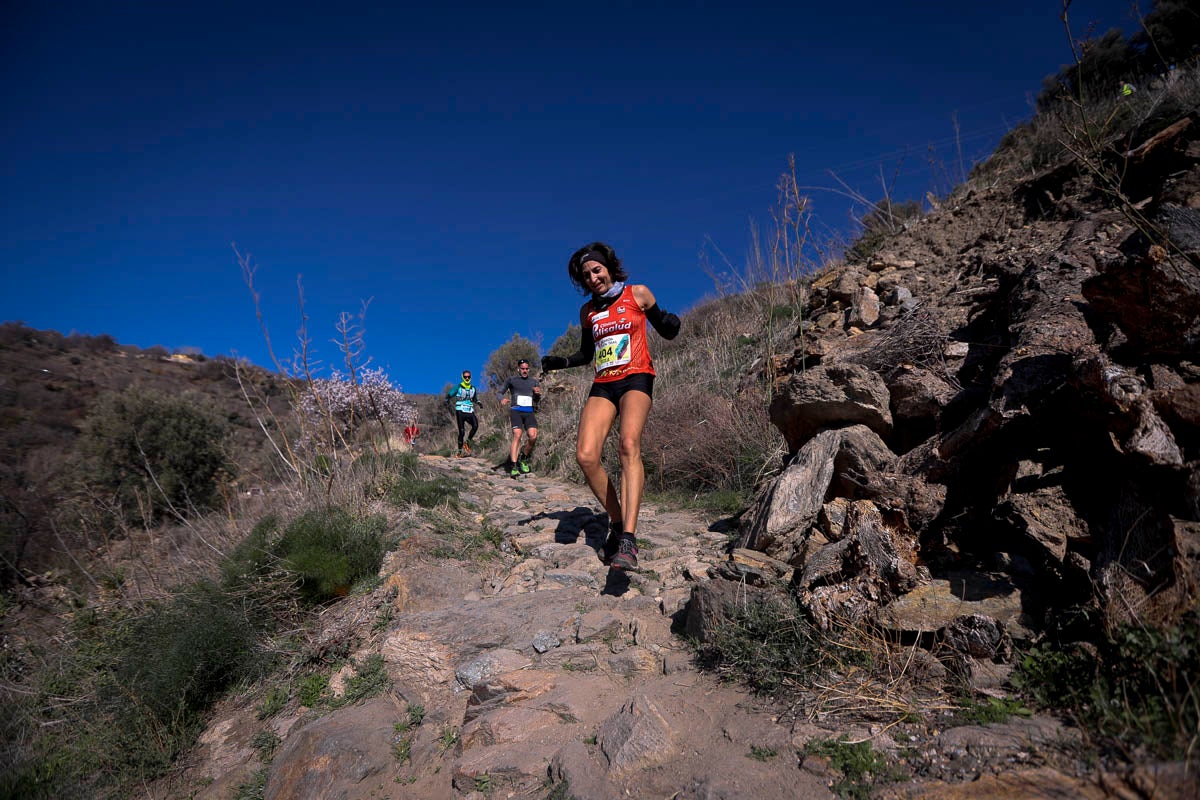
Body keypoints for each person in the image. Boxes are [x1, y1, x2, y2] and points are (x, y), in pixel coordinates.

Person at [540, 242, 680, 570]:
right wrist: (561, 360)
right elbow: (587, 354)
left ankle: (629, 540)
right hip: (604, 383)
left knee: (628, 445)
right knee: (586, 455)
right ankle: (616, 525)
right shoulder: (588, 312)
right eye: (586, 275)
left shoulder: (637, 294)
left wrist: (670, 322)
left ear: (609, 268)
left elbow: (666, 328)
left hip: (636, 378)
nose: (592, 277)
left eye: (597, 270)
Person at [499, 358, 542, 477]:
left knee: (533, 437)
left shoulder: (534, 382)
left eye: (526, 369)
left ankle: (523, 457)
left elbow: (536, 400)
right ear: (518, 369)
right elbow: (500, 392)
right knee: (517, 435)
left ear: (529, 369)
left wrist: (538, 394)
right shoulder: (512, 380)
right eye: (522, 368)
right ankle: (513, 466)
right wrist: (501, 399)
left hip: (529, 412)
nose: (524, 371)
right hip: (516, 411)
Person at [446, 369, 478, 457]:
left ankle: (467, 443)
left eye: (468, 377)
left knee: (475, 426)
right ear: (462, 377)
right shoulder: (458, 387)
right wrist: (447, 399)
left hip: (470, 409)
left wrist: (478, 402)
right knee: (462, 431)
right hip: (460, 409)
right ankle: (459, 452)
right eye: (465, 377)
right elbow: (450, 393)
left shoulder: (473, 388)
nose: (467, 378)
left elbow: (475, 398)